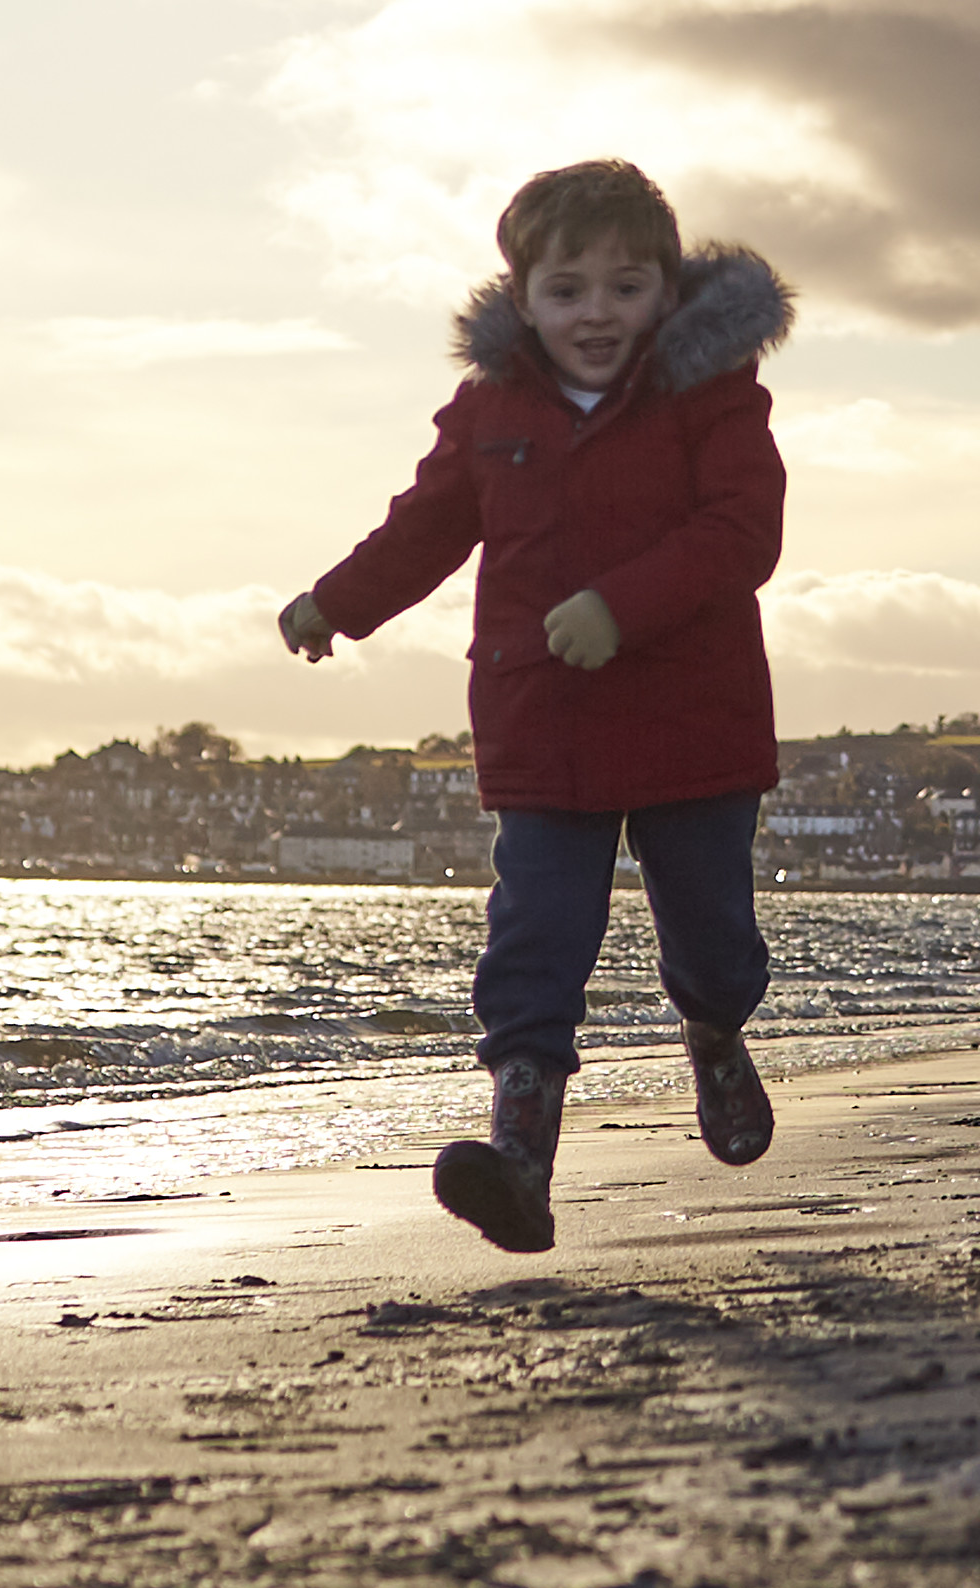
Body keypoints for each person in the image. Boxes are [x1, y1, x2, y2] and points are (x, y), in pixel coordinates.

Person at [284, 160, 792, 1252]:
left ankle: (714, 1028)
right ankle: (520, 1160)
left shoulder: (713, 393)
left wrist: (619, 606)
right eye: (568, 289)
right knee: (534, 942)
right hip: (543, 727)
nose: (596, 313)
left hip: (692, 727)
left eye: (625, 286)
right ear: (523, 297)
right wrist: (337, 600)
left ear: (668, 287)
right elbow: (423, 529)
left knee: (712, 935)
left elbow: (744, 533)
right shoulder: (491, 410)